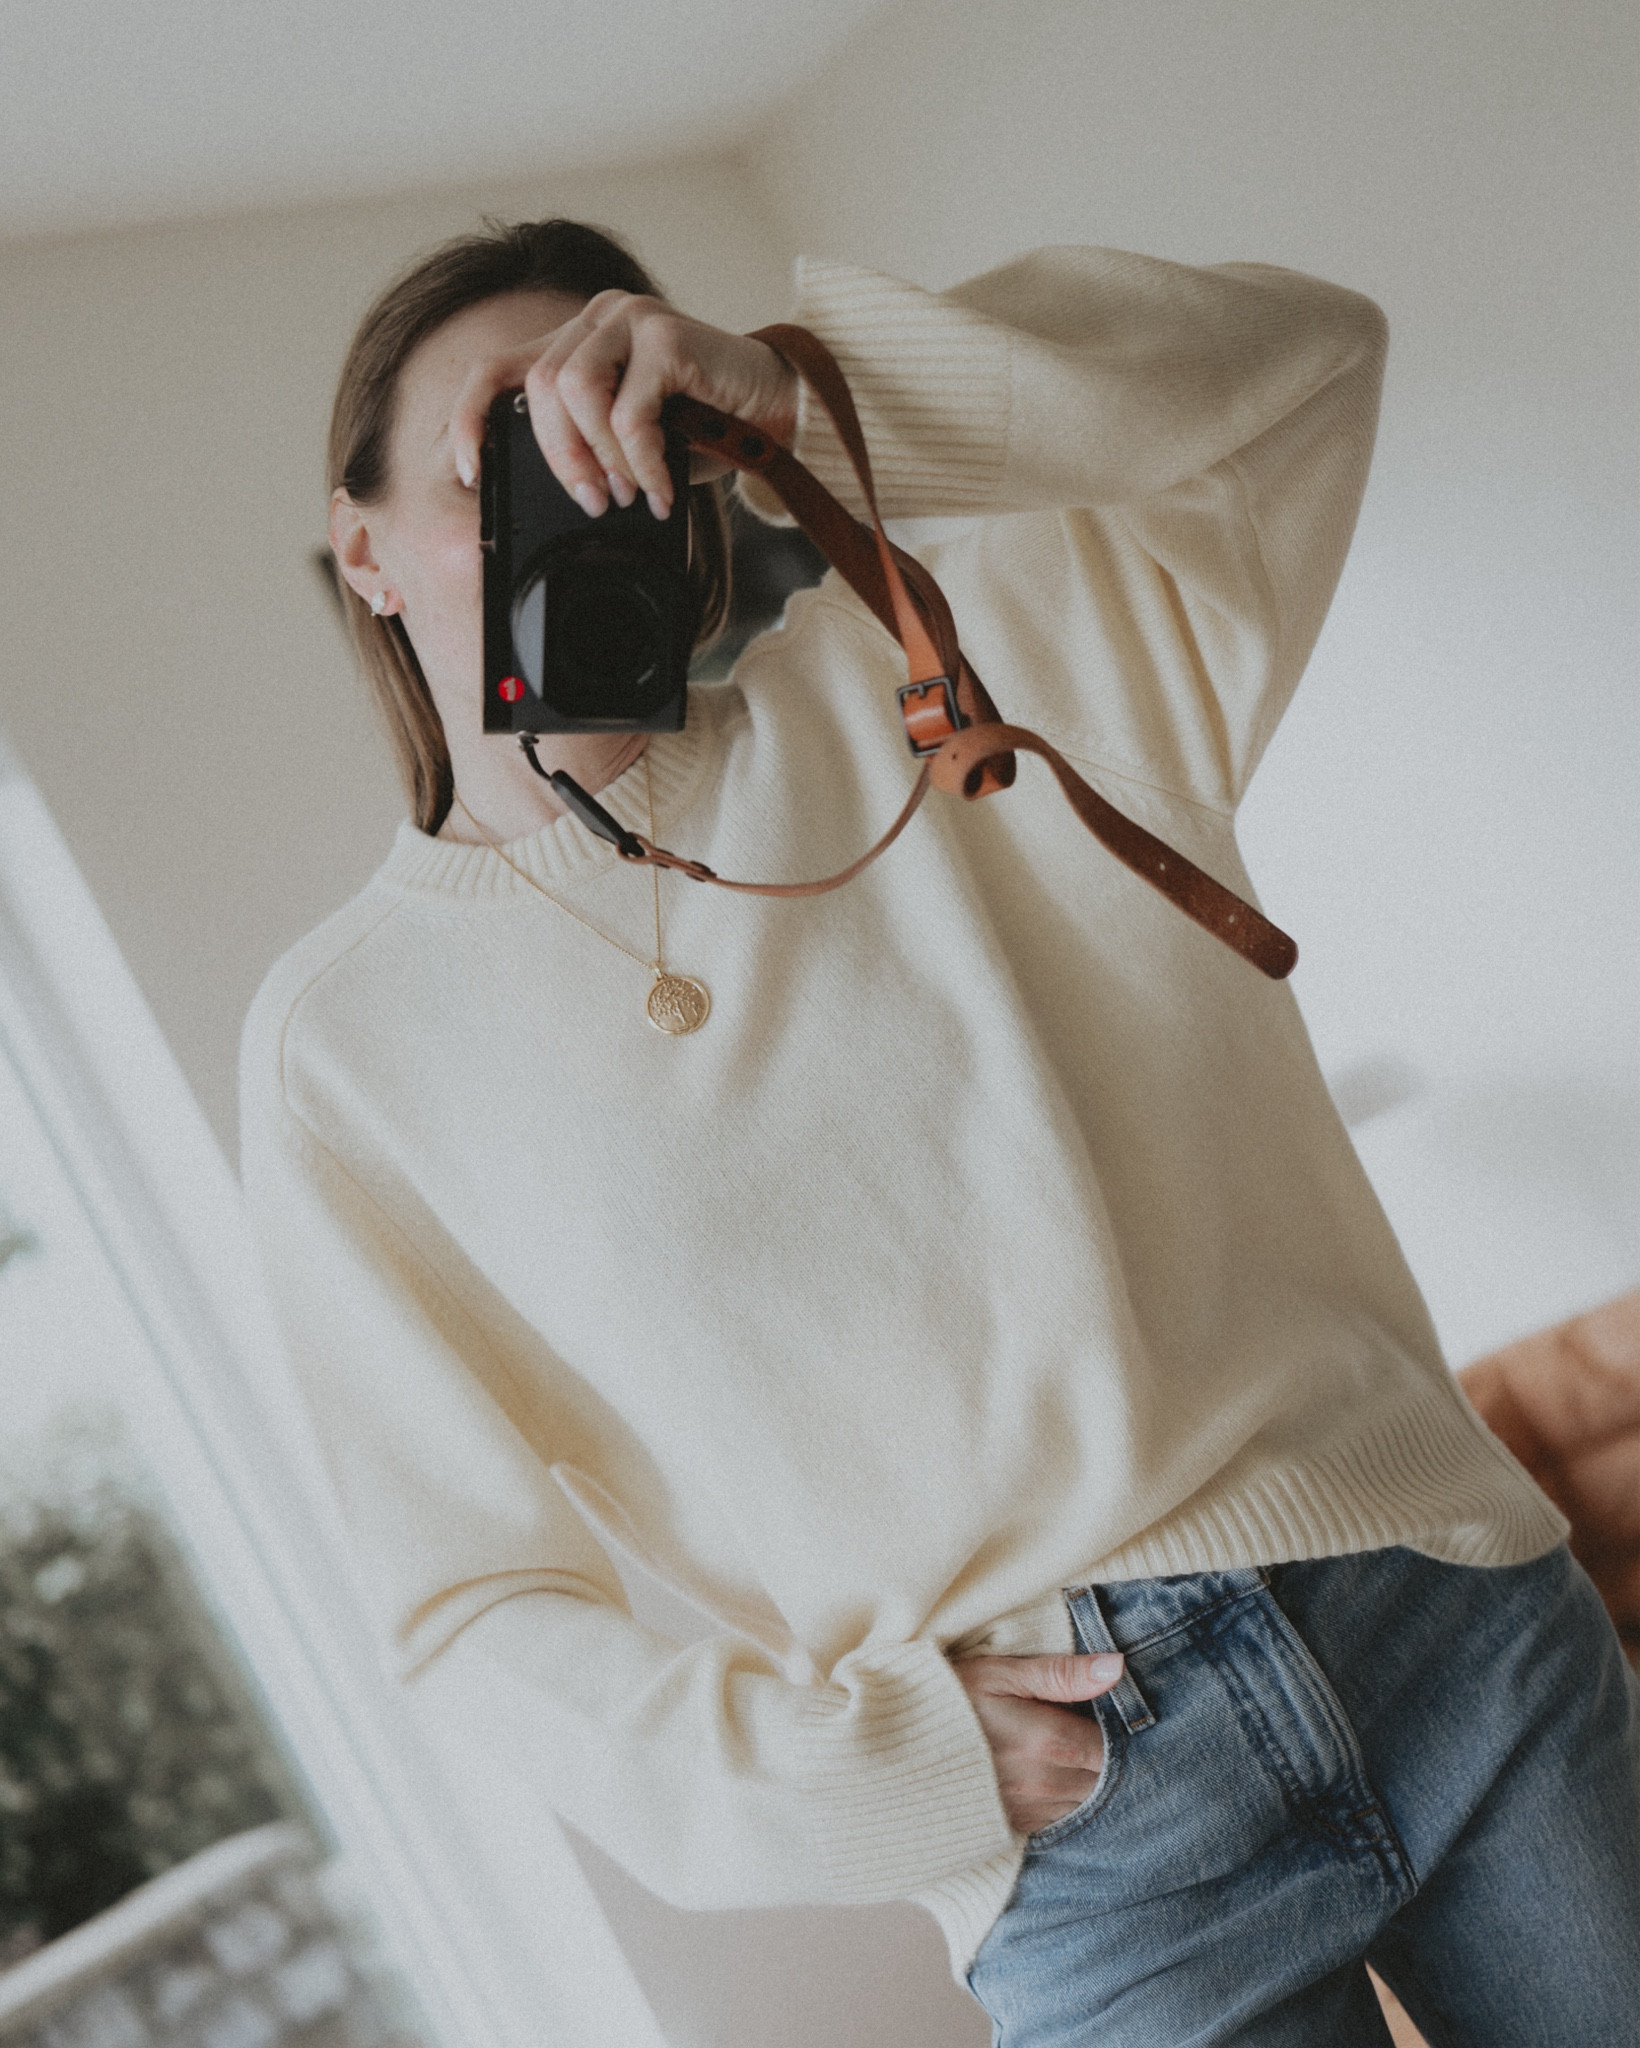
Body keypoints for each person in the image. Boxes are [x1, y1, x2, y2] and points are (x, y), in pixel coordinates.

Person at [240, 217, 1640, 2046]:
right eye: (513, 433)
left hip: (1437, 1613)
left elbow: (1305, 362)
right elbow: (466, 1603)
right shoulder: (346, 1050)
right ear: (361, 549)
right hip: (1085, 1832)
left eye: (623, 422)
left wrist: (809, 396)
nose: (585, 474)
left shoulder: (953, 672)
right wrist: (858, 1774)